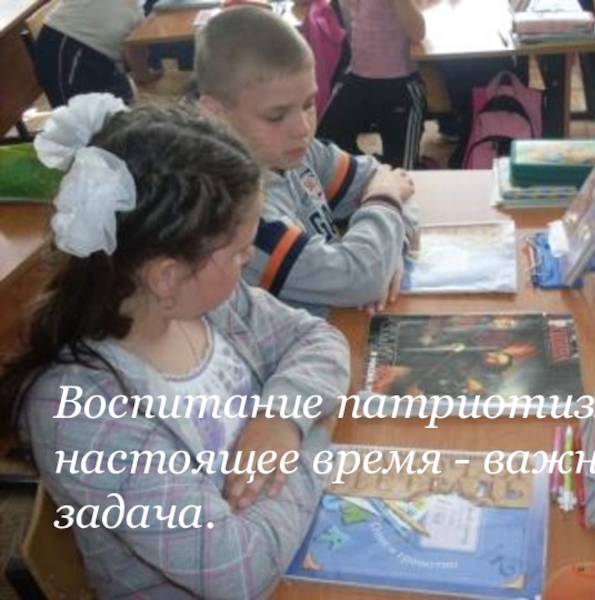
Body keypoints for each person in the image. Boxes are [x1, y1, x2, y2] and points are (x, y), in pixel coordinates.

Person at [0, 94, 349, 597]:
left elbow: (319, 337)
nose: (247, 263)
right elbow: (237, 572)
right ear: (166, 275)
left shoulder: (205, 303)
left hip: (291, 545)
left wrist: (282, 416)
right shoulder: (82, 416)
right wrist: (315, 433)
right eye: (240, 253)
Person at [196, 6, 417, 316]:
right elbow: (361, 275)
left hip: (342, 323)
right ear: (215, 113)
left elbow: (390, 179)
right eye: (276, 116)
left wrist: (390, 255)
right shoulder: (240, 218)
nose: (302, 128)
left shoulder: (300, 153)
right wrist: (383, 212)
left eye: (309, 104)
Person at [316, 0, 427, 170]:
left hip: (399, 84)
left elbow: (418, 33)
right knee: (324, 146)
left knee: (402, 170)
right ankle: (368, 170)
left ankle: (384, 169)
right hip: (357, 76)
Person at [34, 0, 160, 107]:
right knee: (80, 118)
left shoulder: (137, 7)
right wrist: (143, 74)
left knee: (124, 111)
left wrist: (144, 75)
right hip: (67, 47)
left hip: (105, 60)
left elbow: (136, 42)